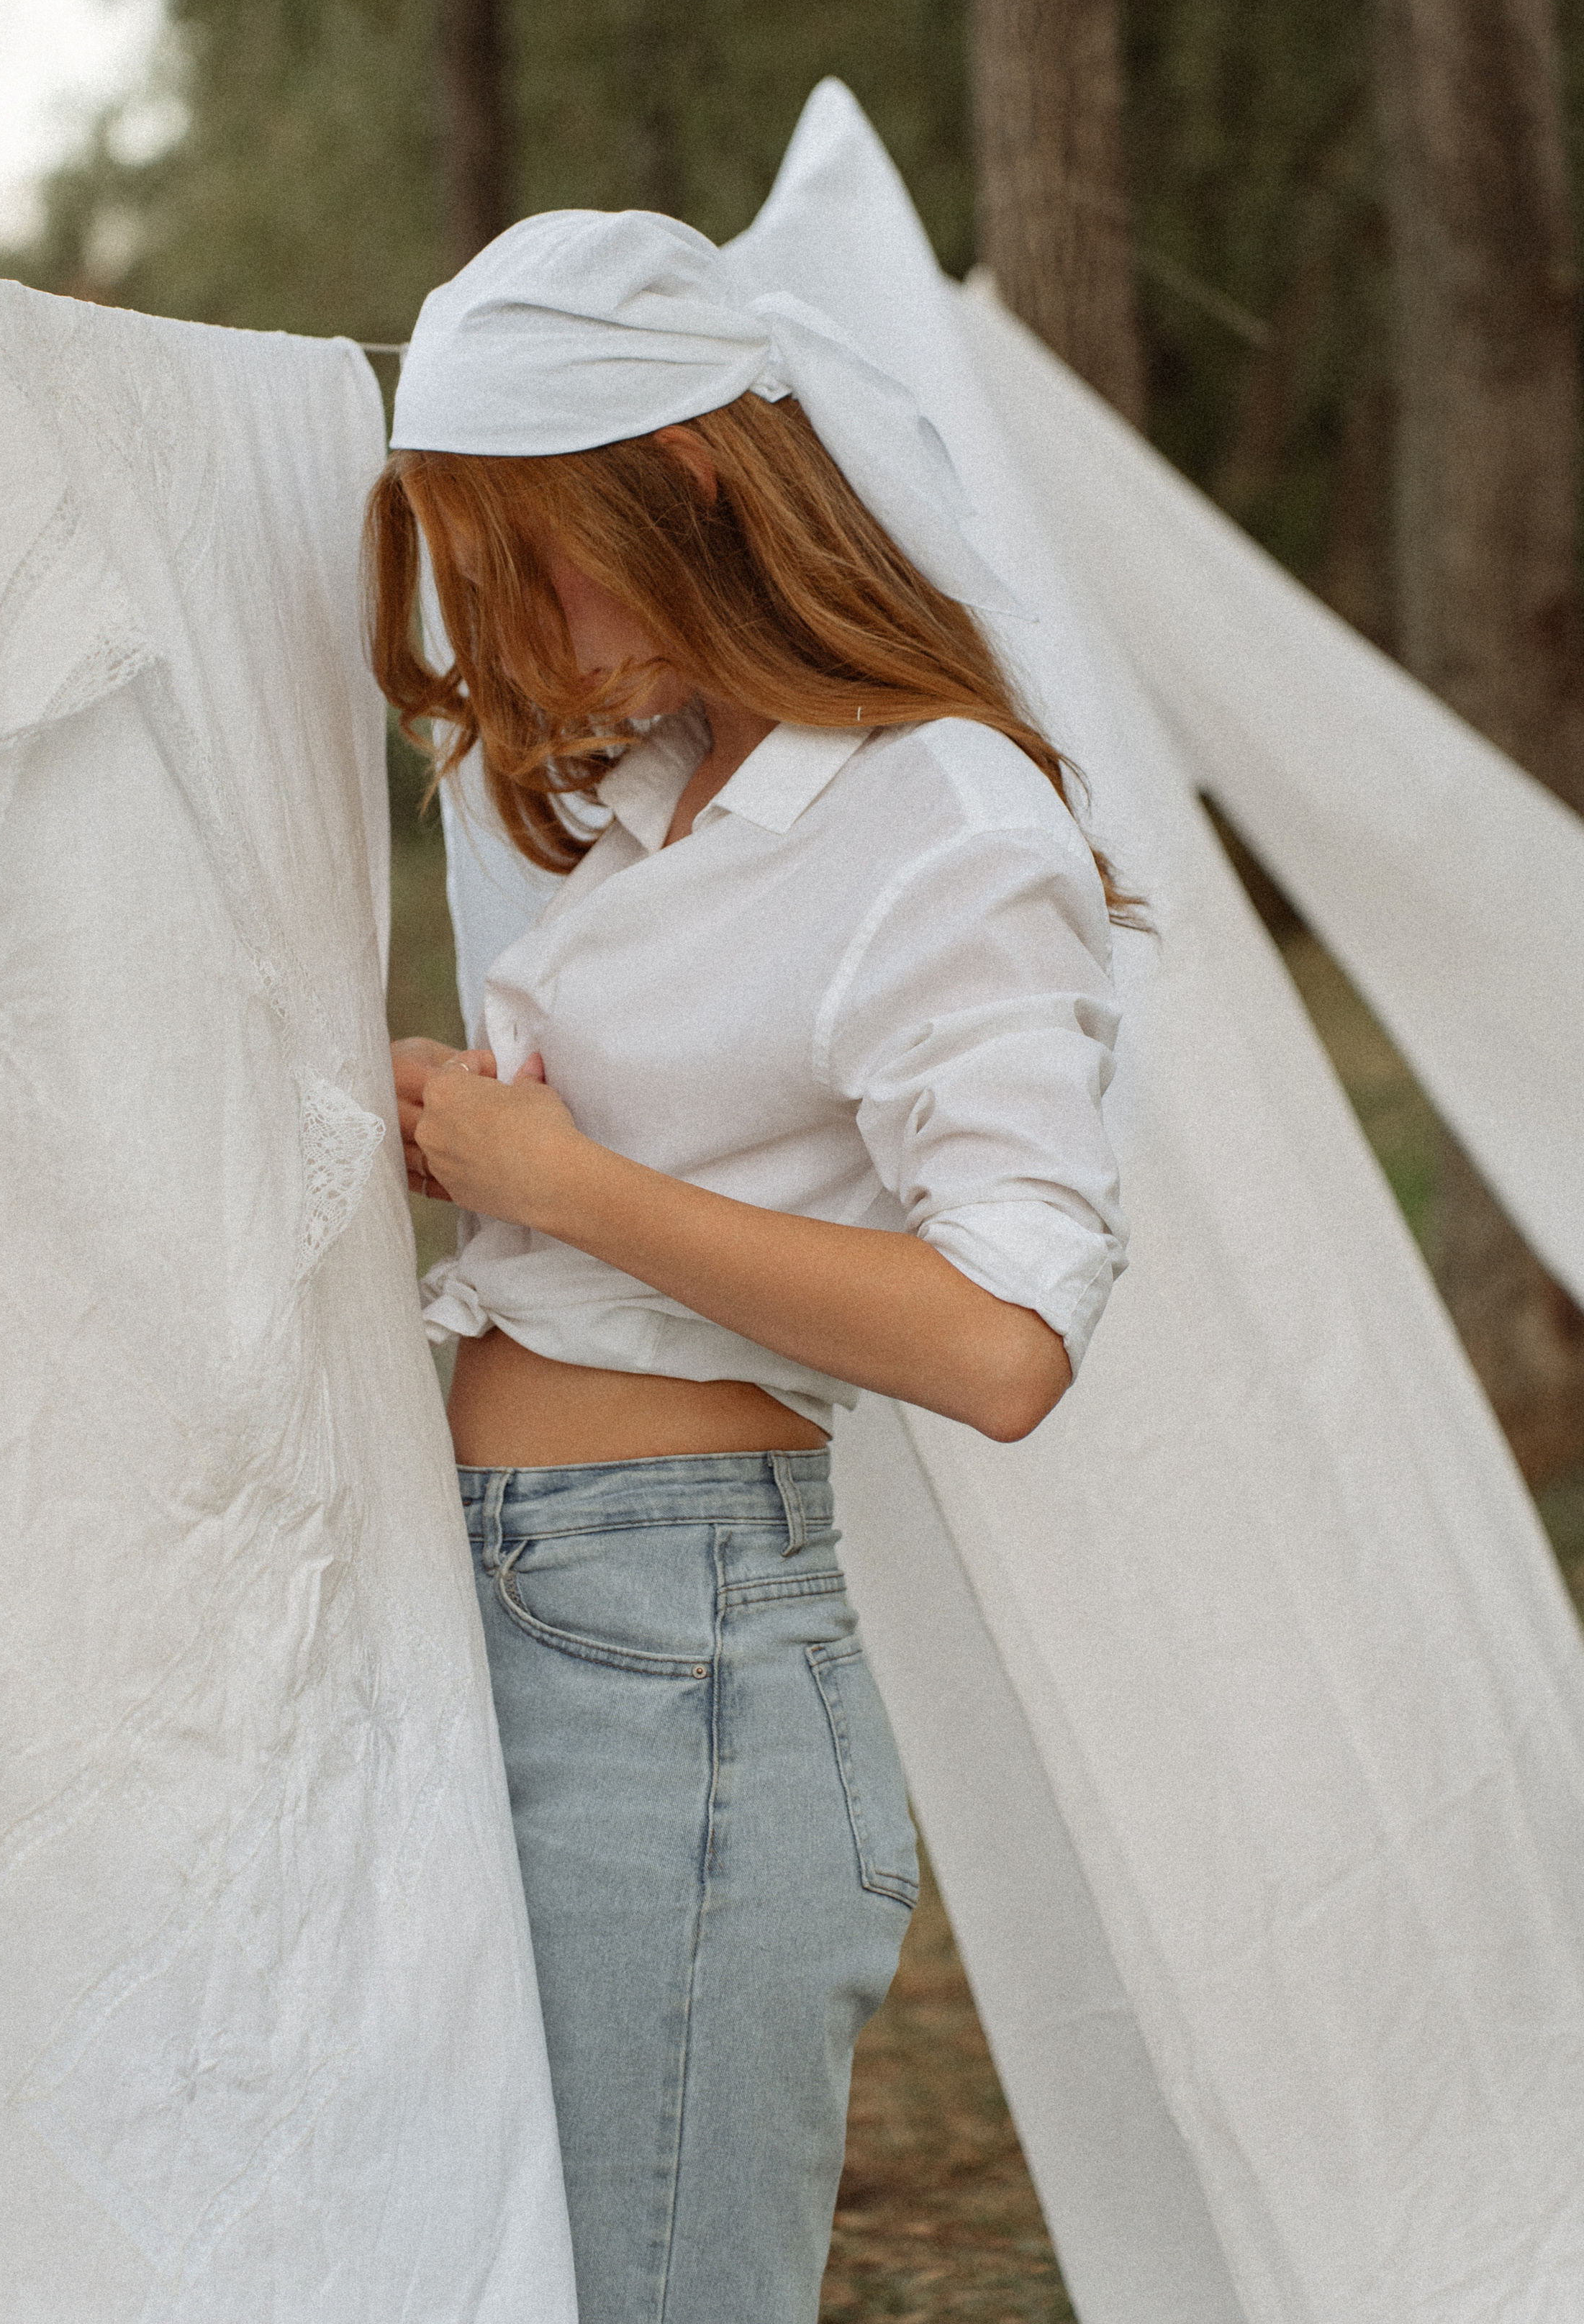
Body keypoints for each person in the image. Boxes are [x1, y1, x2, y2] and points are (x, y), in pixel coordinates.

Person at [366, 210, 1131, 2324]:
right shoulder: (671, 802)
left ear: (691, 477)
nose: (509, 626)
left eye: (535, 558)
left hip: (674, 1654)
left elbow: (1001, 1339)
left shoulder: (943, 813)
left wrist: (575, 1186)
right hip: (520, 1600)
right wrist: (484, 1154)